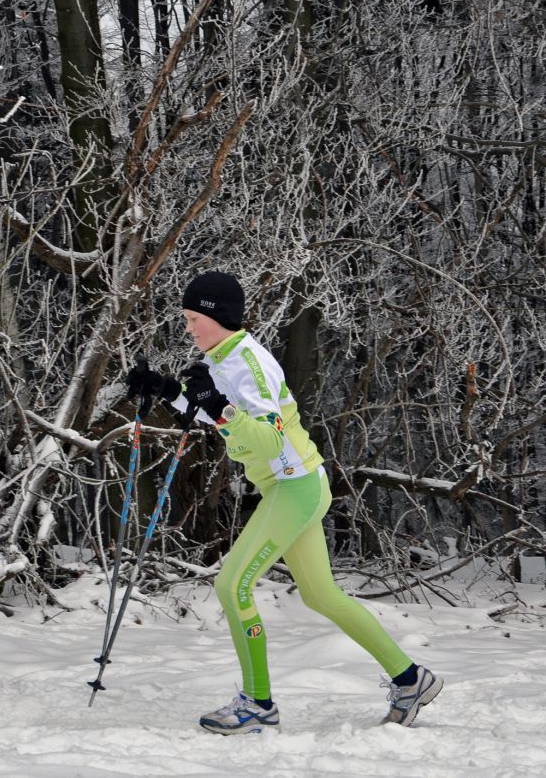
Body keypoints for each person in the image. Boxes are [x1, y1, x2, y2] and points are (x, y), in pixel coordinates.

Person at [126, 270, 443, 735]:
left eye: (196, 319)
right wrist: (171, 391)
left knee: (232, 587)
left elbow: (268, 438)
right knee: (321, 595)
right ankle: (411, 679)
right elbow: (221, 411)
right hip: (294, 485)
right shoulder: (223, 358)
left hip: (293, 485)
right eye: (187, 319)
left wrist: (217, 406)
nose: (190, 328)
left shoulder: (249, 363)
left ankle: (257, 705)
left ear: (220, 317)